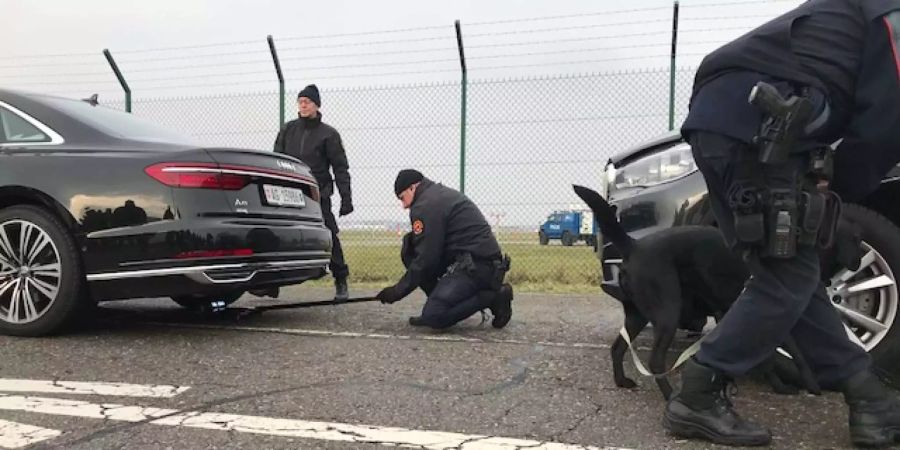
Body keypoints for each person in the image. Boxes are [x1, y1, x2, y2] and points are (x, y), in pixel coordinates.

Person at [672, 0, 900, 446]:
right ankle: (698, 391)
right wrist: (839, 192)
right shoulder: (892, 12)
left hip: (726, 122)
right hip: (764, 127)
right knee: (787, 276)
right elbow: (885, 126)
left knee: (792, 272)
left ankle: (871, 400)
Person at [375, 169, 514, 330]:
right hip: (475, 262)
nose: (404, 205)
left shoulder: (424, 205)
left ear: (413, 188)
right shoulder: (434, 196)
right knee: (410, 246)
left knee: (434, 315)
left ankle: (493, 297)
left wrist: (396, 291)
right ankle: (439, 300)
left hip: (476, 267)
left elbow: (427, 259)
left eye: (402, 198)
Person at [274, 84, 353, 301]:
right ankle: (271, 281)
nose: (303, 105)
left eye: (307, 101)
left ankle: (341, 279)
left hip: (317, 194)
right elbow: (276, 159)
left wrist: (346, 198)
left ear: (316, 104)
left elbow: (340, 167)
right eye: (300, 101)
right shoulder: (288, 129)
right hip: (287, 193)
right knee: (279, 235)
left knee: (329, 235)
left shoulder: (329, 134)